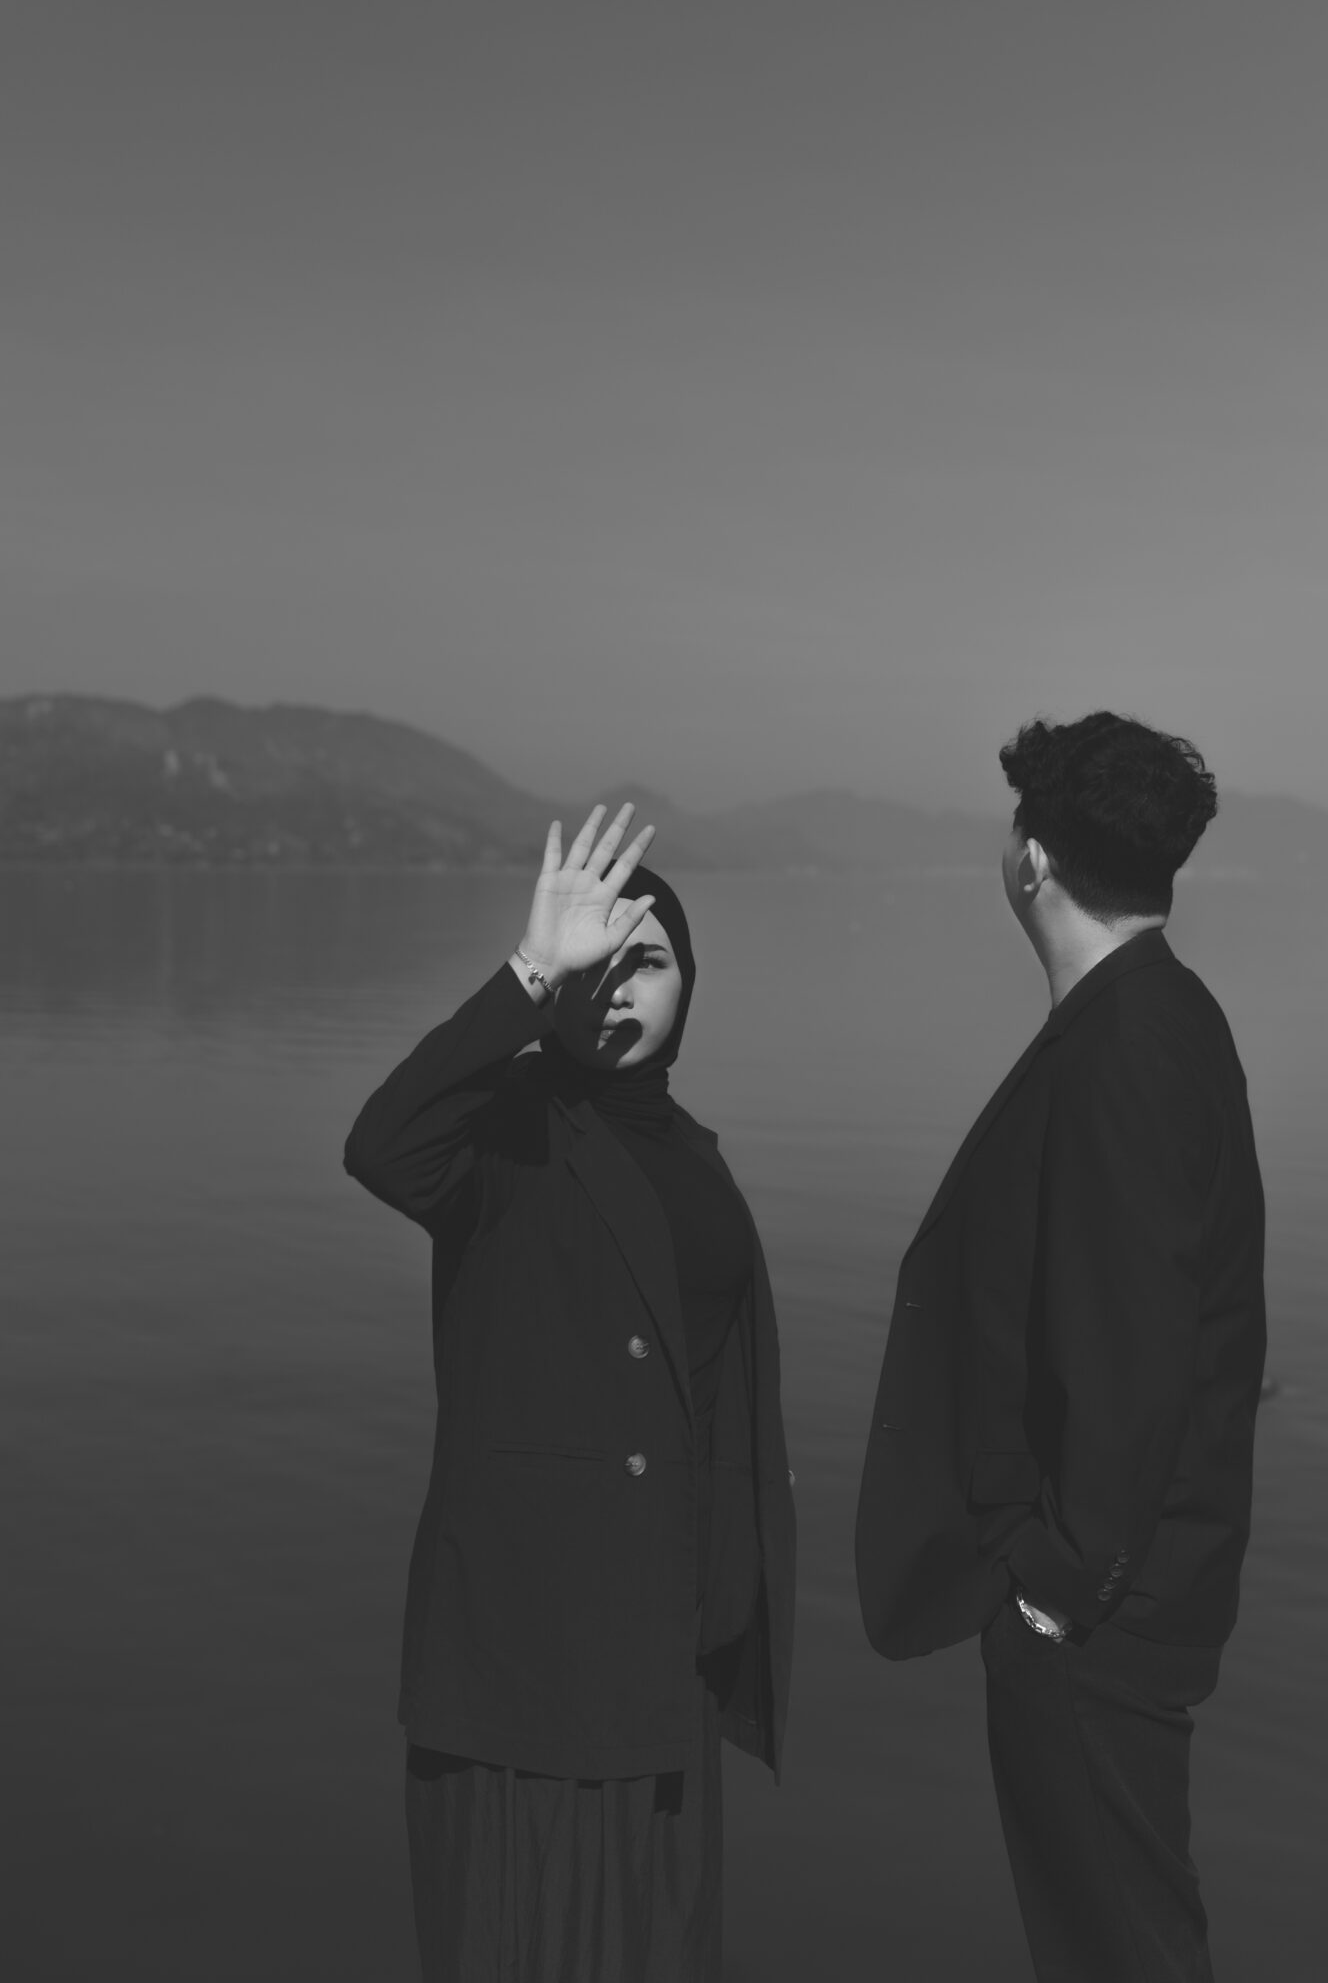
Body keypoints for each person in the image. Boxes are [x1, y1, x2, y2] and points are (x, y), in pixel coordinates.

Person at [344, 803, 795, 1983]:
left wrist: (736, 1581)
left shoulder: (690, 1151)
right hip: (529, 1643)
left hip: (664, 1639)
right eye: (591, 967)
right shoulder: (506, 1130)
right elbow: (381, 1146)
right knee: (518, 1940)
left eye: (645, 962)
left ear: (690, 982)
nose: (614, 989)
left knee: (654, 1943)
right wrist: (531, 970)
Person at [855, 712, 1266, 1982]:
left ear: (1029, 858)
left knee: (1118, 1945)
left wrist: (1053, 1590)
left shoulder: (1124, 1045)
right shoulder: (1160, 1013)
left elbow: (1130, 1346)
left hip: (1098, 1616)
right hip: (1120, 1593)